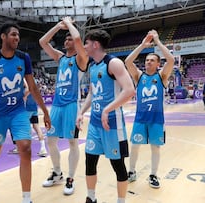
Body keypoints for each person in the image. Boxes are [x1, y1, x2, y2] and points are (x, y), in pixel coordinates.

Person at [0, 22, 51, 203]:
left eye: (18, 35)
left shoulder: (23, 58)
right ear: (3, 37)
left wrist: (45, 112)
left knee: (25, 149)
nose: (17, 38)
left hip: (19, 111)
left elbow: (32, 87)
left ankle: (26, 198)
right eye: (13, 35)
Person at [76, 29, 135, 203]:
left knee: (117, 165)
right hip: (95, 123)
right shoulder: (93, 66)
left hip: (112, 124)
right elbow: (92, 94)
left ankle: (121, 200)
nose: (84, 46)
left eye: (86, 43)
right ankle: (91, 197)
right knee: (90, 161)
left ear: (95, 44)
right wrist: (81, 112)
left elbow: (130, 90)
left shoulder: (114, 63)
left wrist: (107, 109)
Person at [39, 16, 88, 195]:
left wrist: (69, 23)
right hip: (57, 105)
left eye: (69, 39)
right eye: (65, 39)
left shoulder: (81, 59)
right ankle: (57, 172)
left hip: (71, 106)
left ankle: (70, 178)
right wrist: (57, 27)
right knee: (50, 141)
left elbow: (76, 39)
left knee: (72, 142)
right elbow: (42, 42)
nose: (67, 40)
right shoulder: (60, 58)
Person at [124, 29, 175, 189]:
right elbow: (127, 62)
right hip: (140, 119)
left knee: (155, 148)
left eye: (152, 60)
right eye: (147, 60)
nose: (148, 62)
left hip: (156, 120)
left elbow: (171, 60)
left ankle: (153, 175)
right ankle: (131, 172)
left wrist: (158, 42)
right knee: (135, 146)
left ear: (158, 64)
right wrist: (142, 45)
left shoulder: (161, 77)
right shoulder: (139, 77)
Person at [8, 80, 47, 157]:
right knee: (36, 127)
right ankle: (43, 148)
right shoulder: (34, 80)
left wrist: (24, 96)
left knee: (19, 127)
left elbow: (28, 88)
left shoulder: (23, 78)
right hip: (34, 107)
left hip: (27, 108)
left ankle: (22, 148)